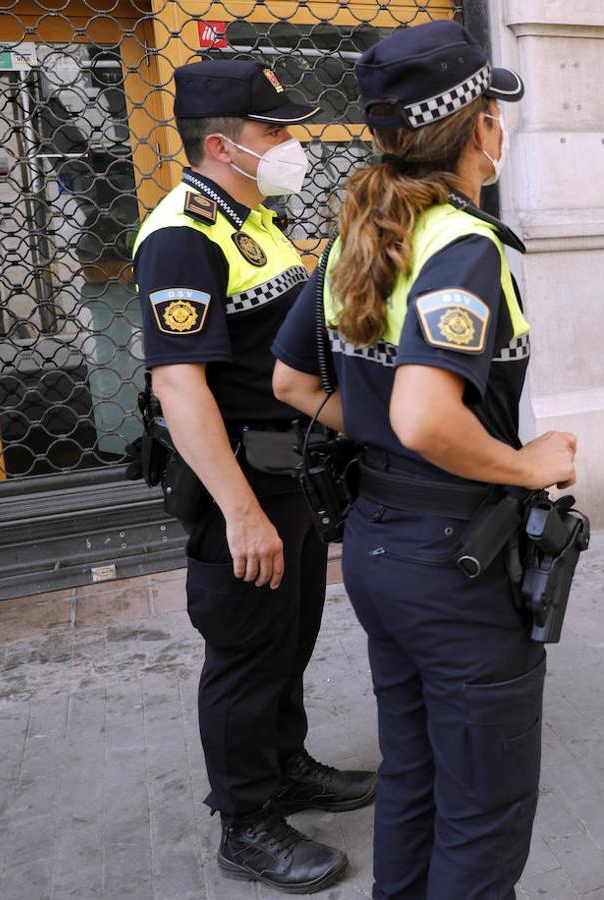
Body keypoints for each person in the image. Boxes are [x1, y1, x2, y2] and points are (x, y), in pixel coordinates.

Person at [272, 21, 576, 899]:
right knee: (483, 810)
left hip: (376, 549)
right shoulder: (461, 246)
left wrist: (373, 431)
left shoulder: (355, 241)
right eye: (494, 111)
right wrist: (531, 465)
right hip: (456, 563)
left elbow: (292, 383)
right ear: (480, 126)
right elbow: (425, 415)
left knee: (413, 777)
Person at [132, 59, 375, 892]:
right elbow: (178, 383)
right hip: (236, 483)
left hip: (288, 473)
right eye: (274, 131)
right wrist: (240, 512)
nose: (291, 143)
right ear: (221, 144)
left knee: (287, 634)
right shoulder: (180, 235)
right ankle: (247, 822)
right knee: (242, 653)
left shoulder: (251, 214)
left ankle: (286, 767)